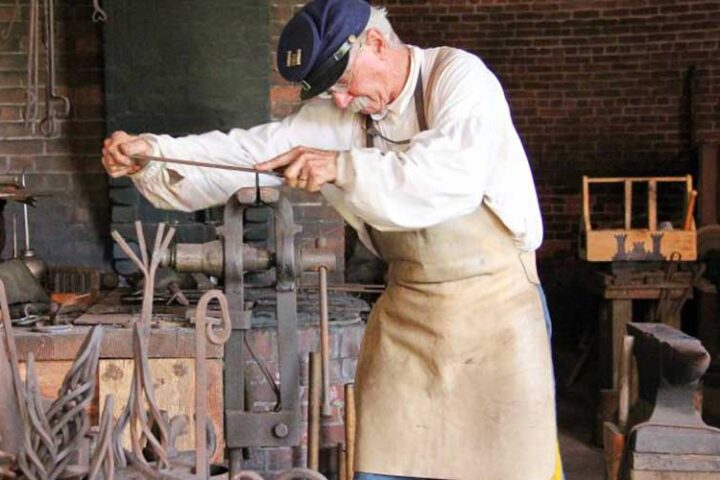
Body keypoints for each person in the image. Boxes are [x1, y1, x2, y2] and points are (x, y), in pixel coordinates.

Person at [101, 1, 562, 478]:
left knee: (508, 465)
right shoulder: (347, 112)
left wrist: (340, 166)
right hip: (409, 316)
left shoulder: (459, 77)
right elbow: (252, 152)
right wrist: (154, 154)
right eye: (331, 89)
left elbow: (453, 177)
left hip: (497, 313)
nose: (341, 100)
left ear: (378, 44)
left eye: (344, 82)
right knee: (387, 466)